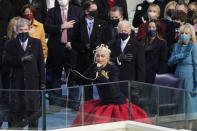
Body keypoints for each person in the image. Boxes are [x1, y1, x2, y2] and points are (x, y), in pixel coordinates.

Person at [71, 44, 151, 126]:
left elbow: (113, 88)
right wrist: (74, 75)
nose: (100, 59)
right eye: (98, 56)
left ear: (107, 58)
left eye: (103, 56)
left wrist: (100, 75)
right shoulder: (93, 67)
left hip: (116, 102)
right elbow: (83, 80)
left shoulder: (113, 69)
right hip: (103, 101)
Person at [3, 18, 45, 129]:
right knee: (16, 114)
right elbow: (5, 61)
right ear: (16, 30)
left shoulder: (36, 43)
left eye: (25, 29)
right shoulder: (9, 44)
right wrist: (20, 59)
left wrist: (43, 82)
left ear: (29, 29)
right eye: (21, 30)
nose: (23, 32)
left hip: (33, 84)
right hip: (16, 85)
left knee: (33, 115)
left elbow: (41, 64)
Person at [44, 0, 83, 106]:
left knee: (73, 76)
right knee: (55, 75)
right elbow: (46, 27)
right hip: (56, 48)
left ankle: (74, 102)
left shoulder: (78, 11)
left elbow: (82, 29)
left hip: (72, 49)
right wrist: (61, 26)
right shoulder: (52, 12)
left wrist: (73, 42)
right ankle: (55, 102)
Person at [71, 0, 107, 101]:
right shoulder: (78, 24)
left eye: (96, 10)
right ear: (86, 11)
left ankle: (103, 105)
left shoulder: (102, 23)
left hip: (99, 60)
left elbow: (105, 40)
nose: (96, 12)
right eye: (93, 10)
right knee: (86, 87)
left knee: (102, 85)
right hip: (83, 60)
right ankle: (88, 106)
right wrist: (83, 46)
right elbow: (73, 42)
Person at [168, 23, 197, 130]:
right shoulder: (177, 46)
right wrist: (178, 56)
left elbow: (196, 65)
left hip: (189, 76)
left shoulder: (193, 46)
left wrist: (196, 82)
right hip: (178, 75)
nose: (184, 35)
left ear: (191, 35)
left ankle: (189, 127)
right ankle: (179, 126)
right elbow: (170, 62)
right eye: (182, 33)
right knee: (179, 101)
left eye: (186, 33)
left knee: (188, 103)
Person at [111, 20, 145, 103]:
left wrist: (139, 85)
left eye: (125, 31)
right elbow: (109, 60)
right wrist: (118, 59)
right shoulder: (113, 44)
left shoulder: (137, 45)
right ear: (118, 31)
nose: (123, 32)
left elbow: (141, 67)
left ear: (129, 31)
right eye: (121, 31)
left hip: (131, 82)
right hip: (117, 81)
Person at [143, 19, 168, 83]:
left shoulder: (162, 42)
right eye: (149, 27)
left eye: (153, 27)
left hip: (155, 74)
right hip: (143, 72)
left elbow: (163, 61)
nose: (151, 29)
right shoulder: (143, 40)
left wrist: (159, 76)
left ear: (157, 29)